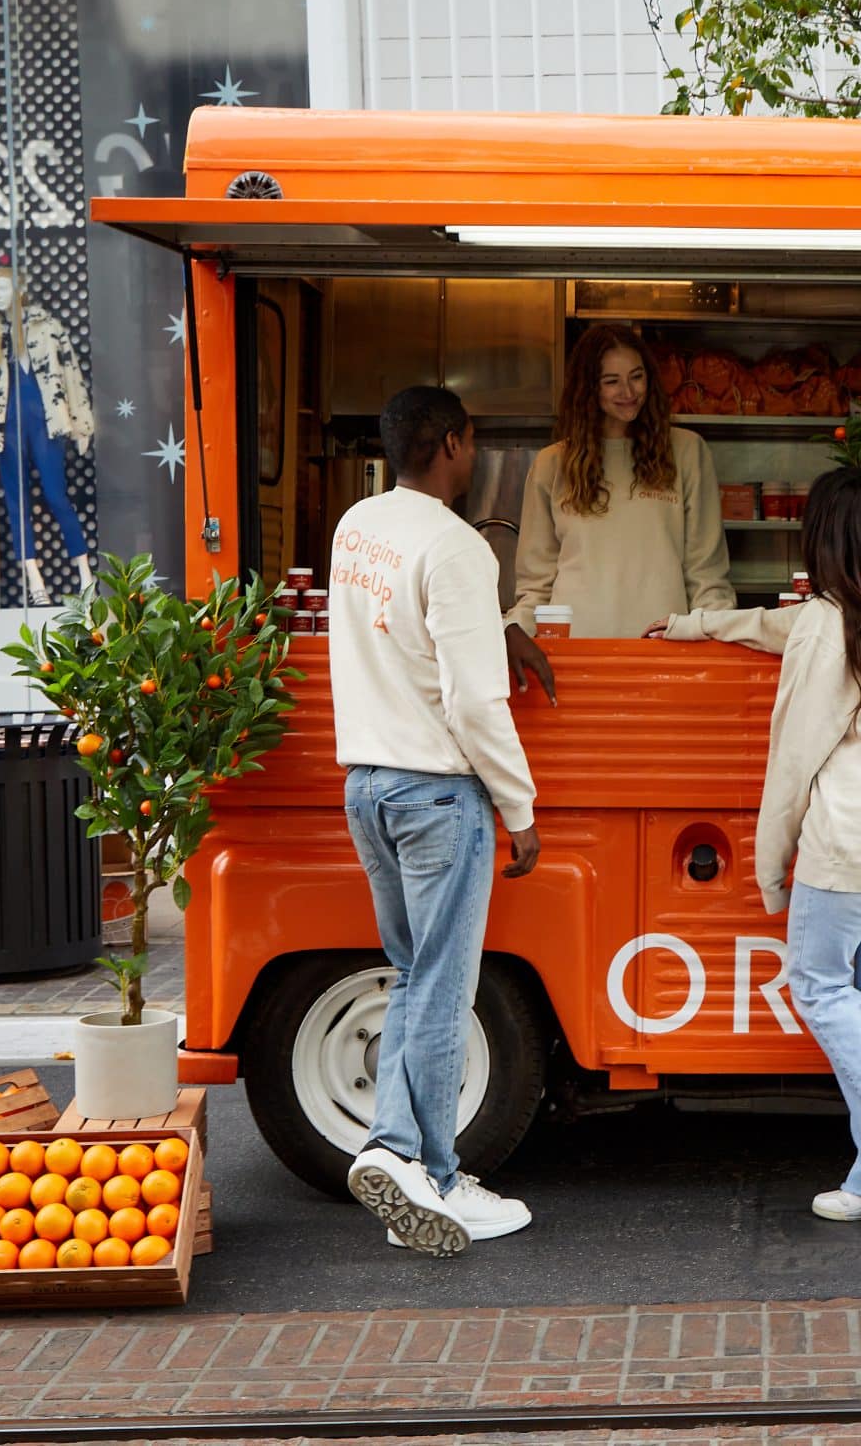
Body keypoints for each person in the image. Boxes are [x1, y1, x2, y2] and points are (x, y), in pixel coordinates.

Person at [654, 467, 861, 1223]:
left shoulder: (829, 627)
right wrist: (699, 623)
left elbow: (791, 763)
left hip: (851, 848)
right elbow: (778, 626)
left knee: (820, 986)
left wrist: (769, 869)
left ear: (822, 539)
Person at [328, 384, 542, 1257]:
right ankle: (434, 1176)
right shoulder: (457, 548)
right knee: (444, 986)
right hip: (434, 793)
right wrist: (519, 805)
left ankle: (401, 1157)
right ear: (454, 443)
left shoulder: (355, 527)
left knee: (414, 977)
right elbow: (475, 698)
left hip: (367, 784)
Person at [506, 325, 734, 644]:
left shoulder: (686, 452)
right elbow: (535, 585)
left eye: (636, 377)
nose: (628, 392)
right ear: (588, 389)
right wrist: (514, 631)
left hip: (665, 651)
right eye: (611, 381)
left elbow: (707, 575)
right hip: (575, 653)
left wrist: (718, 638)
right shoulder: (551, 463)